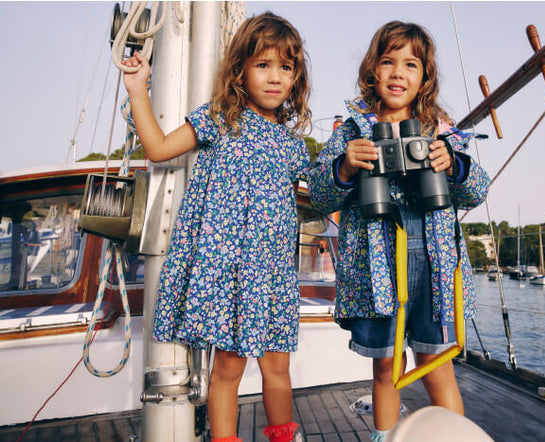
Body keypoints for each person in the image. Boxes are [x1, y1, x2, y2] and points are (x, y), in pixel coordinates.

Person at [122, 12, 311, 442]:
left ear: (296, 77)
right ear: (240, 69)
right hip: (229, 273)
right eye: (263, 65)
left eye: (286, 67)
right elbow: (158, 148)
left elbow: (327, 193)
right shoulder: (220, 119)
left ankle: (284, 437)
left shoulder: (294, 147)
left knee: (278, 368)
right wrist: (138, 89)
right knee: (228, 368)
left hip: (273, 276)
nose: (275, 76)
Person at [307, 21, 490, 442]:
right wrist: (346, 166)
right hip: (376, 267)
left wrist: (453, 165)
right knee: (387, 367)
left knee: (437, 364)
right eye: (388, 62)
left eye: (411, 64)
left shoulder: (439, 132)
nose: (398, 73)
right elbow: (321, 196)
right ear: (372, 70)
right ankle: (385, 437)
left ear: (425, 77)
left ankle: (454, 435)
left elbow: (477, 189)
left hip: (433, 263)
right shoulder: (351, 131)